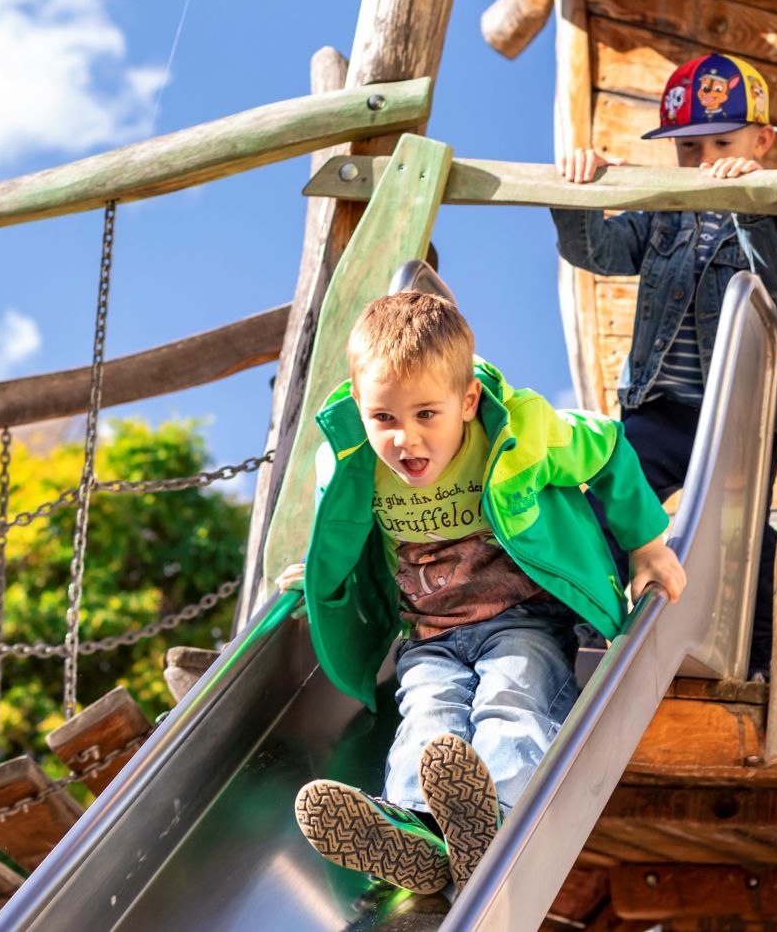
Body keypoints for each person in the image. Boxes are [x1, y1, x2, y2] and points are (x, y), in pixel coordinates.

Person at [280, 291, 683, 894]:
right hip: (429, 635)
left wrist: (646, 546)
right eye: (384, 418)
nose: (405, 440)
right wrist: (317, 572)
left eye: (426, 415)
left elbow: (606, 449)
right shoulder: (348, 461)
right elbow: (338, 526)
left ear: (467, 402)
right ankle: (419, 832)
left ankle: (494, 817)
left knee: (511, 701)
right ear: (360, 406)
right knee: (428, 722)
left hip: (524, 619)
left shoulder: (519, 431)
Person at [550, 52, 777, 682]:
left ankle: (761, 659)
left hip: (734, 417)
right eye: (689, 149)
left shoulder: (774, 209)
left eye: (721, 142)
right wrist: (579, 193)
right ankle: (585, 634)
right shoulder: (664, 210)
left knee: (742, 537)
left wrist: (749, 197)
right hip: (659, 408)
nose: (704, 159)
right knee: (609, 508)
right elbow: (600, 252)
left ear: (761, 141)